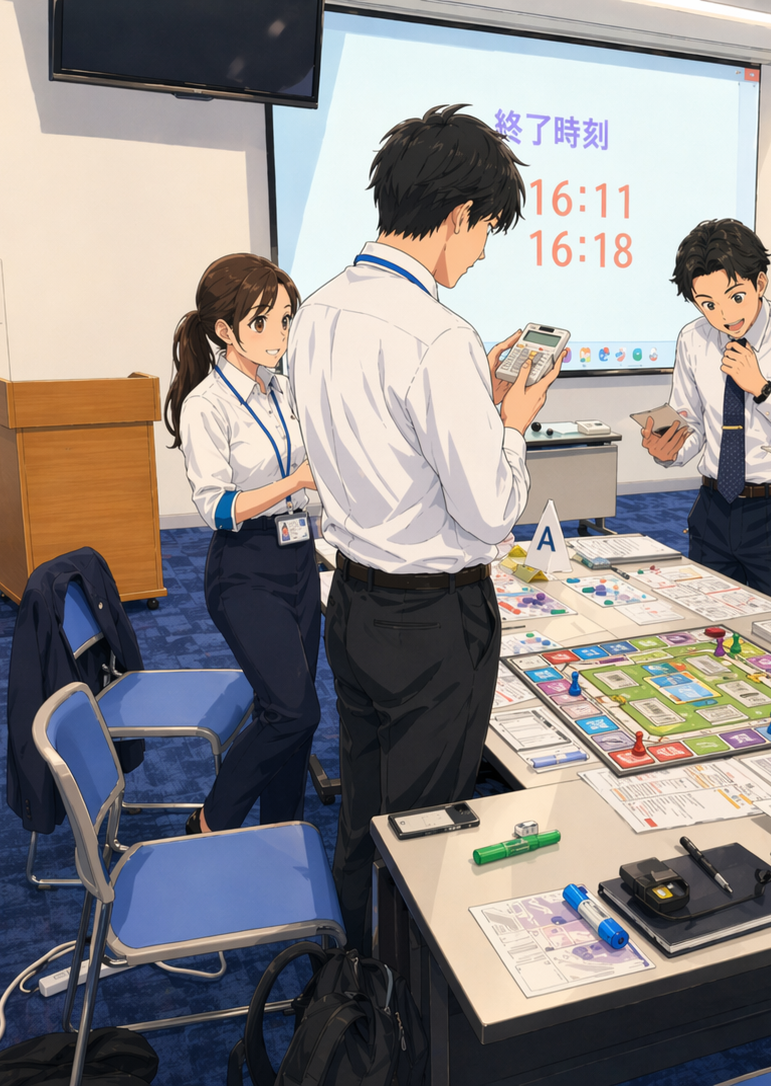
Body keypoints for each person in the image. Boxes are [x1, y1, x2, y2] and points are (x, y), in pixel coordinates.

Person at [289, 104, 559, 952]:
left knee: (367, 810)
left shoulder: (317, 309)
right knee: (429, 832)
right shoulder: (439, 335)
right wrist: (509, 420)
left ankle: (350, 982)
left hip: (354, 601)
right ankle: (402, 1005)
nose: (480, 253)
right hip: (433, 619)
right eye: (485, 234)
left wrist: (475, 400)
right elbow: (490, 509)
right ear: (457, 215)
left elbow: (379, 438)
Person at [165, 253, 319, 835]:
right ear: (225, 331)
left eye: (285, 319)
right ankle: (213, 819)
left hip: (300, 555)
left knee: (293, 712)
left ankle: (283, 830)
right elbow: (218, 508)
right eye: (263, 321)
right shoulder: (207, 405)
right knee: (293, 711)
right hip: (245, 568)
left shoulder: (286, 390)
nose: (279, 334)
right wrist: (295, 482)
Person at [641, 219, 771, 613]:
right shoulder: (693, 339)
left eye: (736, 297)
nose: (724, 315)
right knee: (707, 624)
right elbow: (692, 423)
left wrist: (763, 389)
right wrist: (670, 450)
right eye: (708, 304)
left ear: (759, 283)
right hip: (713, 507)